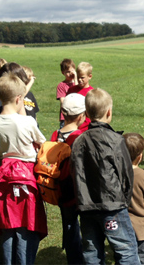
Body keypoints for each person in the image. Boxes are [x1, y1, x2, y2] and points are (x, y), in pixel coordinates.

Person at [71, 88, 140, 264]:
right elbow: (126, 175)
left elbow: (75, 174)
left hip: (87, 206)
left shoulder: (78, 142)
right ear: (109, 112)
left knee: (91, 252)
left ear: (86, 113)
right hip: (112, 207)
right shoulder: (116, 141)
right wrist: (124, 200)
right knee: (126, 249)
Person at [0, 73, 47, 265]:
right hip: (26, 176)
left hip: (4, 178)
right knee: (27, 225)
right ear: (19, 99)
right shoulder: (28, 121)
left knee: (7, 224)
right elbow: (42, 143)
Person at [50, 93, 87, 264]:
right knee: (87, 226)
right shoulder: (82, 136)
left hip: (61, 190)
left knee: (69, 224)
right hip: (80, 190)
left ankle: (74, 258)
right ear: (82, 116)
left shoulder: (54, 135)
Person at [123, 133, 144, 265]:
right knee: (143, 258)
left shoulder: (115, 174)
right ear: (140, 156)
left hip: (122, 226)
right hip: (142, 228)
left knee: (124, 257)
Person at [57, 58, 77, 127]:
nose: (71, 73)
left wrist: (76, 79)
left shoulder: (78, 83)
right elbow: (63, 102)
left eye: (72, 71)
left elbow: (79, 93)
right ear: (63, 73)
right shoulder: (61, 85)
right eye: (68, 72)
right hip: (66, 117)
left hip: (77, 115)